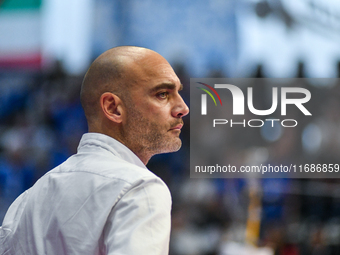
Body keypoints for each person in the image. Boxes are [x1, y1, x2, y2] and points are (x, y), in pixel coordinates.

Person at [0, 46, 189, 254]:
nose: (183, 107)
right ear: (113, 108)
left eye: (178, 92)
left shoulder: (27, 201)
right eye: (162, 94)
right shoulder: (139, 188)